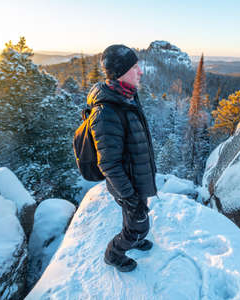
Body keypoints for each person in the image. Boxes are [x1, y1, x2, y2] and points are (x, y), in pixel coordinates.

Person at [86, 44, 158, 272]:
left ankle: (134, 237)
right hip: (126, 186)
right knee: (138, 225)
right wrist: (131, 198)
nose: (141, 72)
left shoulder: (126, 98)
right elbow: (108, 163)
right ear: (120, 73)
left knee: (134, 220)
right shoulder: (106, 113)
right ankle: (114, 254)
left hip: (135, 181)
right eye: (135, 67)